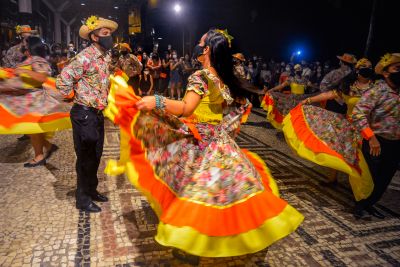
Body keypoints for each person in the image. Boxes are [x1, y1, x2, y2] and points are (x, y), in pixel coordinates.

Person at [104, 29, 303, 262]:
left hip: (200, 143)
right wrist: (227, 127)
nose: (197, 46)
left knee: (191, 191)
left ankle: (190, 244)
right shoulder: (222, 77)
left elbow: (187, 108)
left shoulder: (200, 76)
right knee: (216, 194)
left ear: (207, 49)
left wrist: (155, 100)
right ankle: (211, 240)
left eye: (200, 43)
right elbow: (236, 107)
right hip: (219, 141)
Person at [281, 59, 375, 207]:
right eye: (364, 67)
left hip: (369, 128)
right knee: (338, 149)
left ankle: (363, 193)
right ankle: (335, 180)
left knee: (359, 160)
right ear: (357, 70)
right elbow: (329, 94)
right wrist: (308, 101)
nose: (367, 69)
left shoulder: (376, 88)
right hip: (349, 125)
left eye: (369, 67)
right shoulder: (348, 87)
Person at [56, 16, 118, 213]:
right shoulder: (84, 57)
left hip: (97, 113)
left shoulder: (105, 56)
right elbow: (63, 79)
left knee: (96, 154)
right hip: (83, 113)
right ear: (94, 37)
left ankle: (91, 190)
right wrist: (72, 95)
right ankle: (82, 199)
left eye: (111, 34)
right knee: (85, 156)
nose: (110, 37)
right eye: (105, 34)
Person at [0, 36, 71, 166]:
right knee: (28, 128)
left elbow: (42, 78)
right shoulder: (27, 60)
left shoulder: (37, 60)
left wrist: (22, 71)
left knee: (33, 129)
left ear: (31, 47)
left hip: (33, 100)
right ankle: (48, 146)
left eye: (25, 45)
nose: (22, 47)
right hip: (24, 100)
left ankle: (39, 156)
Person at [352, 53, 400, 219]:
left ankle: (370, 204)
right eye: (397, 68)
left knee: (384, 180)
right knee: (371, 179)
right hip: (376, 142)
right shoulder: (377, 91)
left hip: (395, 144)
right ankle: (360, 206)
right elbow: (358, 113)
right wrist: (371, 138)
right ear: (386, 73)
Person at [261, 64, 315, 130]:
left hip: (301, 100)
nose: (299, 71)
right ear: (295, 71)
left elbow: (312, 86)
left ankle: (295, 131)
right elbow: (281, 86)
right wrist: (272, 89)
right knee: (289, 115)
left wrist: (321, 90)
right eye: (297, 70)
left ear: (302, 71)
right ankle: (287, 129)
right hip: (292, 100)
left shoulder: (305, 80)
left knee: (299, 117)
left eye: (300, 70)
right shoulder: (291, 79)